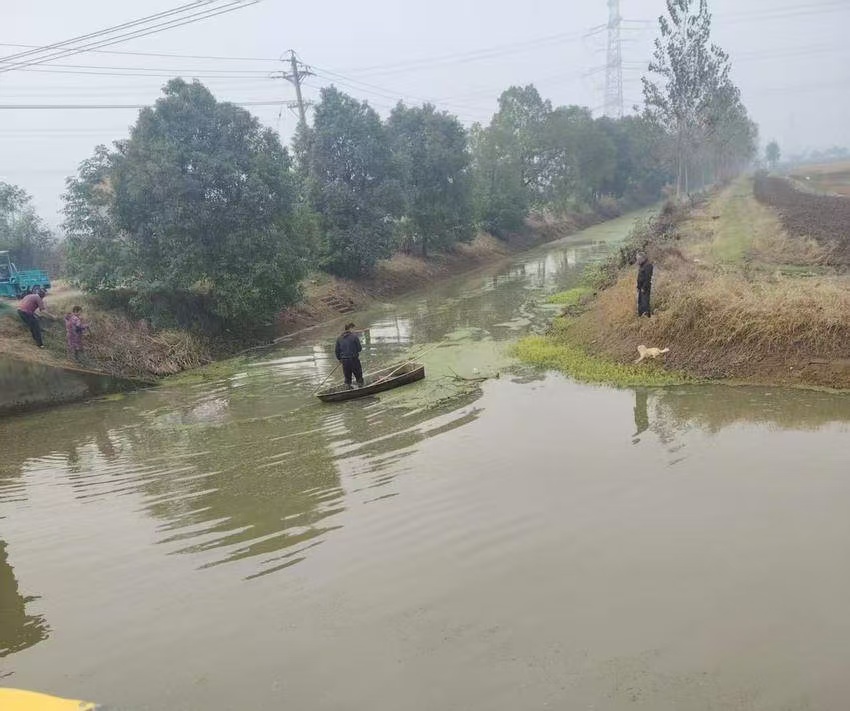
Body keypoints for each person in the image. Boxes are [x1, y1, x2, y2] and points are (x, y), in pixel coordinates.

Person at [335, 322, 364, 388]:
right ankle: (360, 387)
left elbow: (337, 351)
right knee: (358, 375)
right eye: (354, 328)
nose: (354, 330)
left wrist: (340, 359)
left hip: (344, 361)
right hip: (354, 360)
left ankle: (348, 387)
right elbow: (359, 349)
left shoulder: (339, 338)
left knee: (347, 377)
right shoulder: (354, 337)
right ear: (350, 328)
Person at [636, 252, 654, 317]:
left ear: (643, 258)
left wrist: (644, 288)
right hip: (641, 288)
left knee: (645, 303)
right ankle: (641, 317)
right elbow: (640, 277)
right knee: (640, 303)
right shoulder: (642, 265)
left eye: (638, 259)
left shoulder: (648, 265)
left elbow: (647, 278)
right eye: (637, 259)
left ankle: (647, 317)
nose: (637, 261)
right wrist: (638, 287)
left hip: (645, 288)